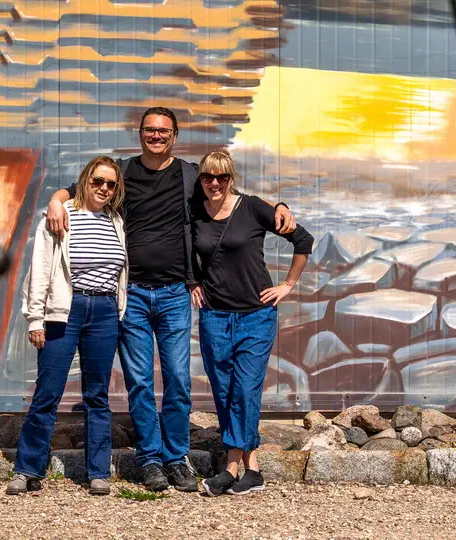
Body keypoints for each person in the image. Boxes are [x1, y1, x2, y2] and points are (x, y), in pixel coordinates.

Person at [45, 107, 297, 492]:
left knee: (178, 380)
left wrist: (277, 207)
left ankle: (176, 458)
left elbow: (231, 195)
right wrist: (56, 200)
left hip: (176, 294)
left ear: (174, 136)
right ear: (140, 133)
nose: (156, 136)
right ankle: (150, 459)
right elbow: (77, 188)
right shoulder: (123, 172)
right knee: (140, 382)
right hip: (132, 294)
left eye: (164, 131)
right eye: (150, 130)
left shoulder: (189, 175)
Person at [189, 149, 313, 496]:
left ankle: (230, 468)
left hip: (255, 317)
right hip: (214, 317)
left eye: (222, 177)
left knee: (244, 389)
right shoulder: (195, 212)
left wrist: (287, 285)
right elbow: (186, 252)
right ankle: (253, 470)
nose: (215, 183)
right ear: (201, 180)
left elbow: (303, 240)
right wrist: (193, 282)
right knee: (225, 392)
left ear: (232, 179)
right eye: (208, 177)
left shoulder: (253, 207)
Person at [9, 156, 129, 497]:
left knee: (97, 396)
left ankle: (98, 473)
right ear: (85, 181)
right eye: (97, 182)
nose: (104, 189)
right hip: (65, 310)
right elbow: (40, 269)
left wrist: (118, 311)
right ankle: (27, 469)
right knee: (48, 392)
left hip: (104, 311)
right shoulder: (61, 215)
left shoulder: (116, 221)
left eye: (111, 184)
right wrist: (35, 319)